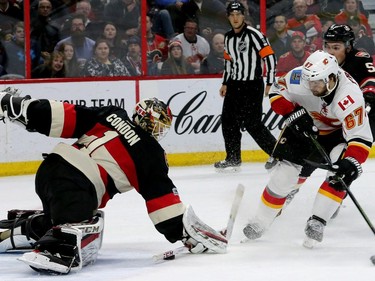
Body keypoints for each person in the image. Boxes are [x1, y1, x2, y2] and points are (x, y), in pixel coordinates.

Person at [0, 90, 227, 274]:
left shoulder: (112, 114)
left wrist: (24, 108)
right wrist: (185, 234)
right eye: (157, 124)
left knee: (61, 216)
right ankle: (58, 247)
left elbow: (66, 115)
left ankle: (20, 229)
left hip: (49, 171)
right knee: (85, 224)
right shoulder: (150, 152)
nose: (157, 130)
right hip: (80, 185)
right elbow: (162, 203)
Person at [242, 50, 372, 247]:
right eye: (310, 82)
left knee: (340, 176)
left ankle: (317, 221)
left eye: (318, 83)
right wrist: (291, 113)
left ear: (331, 78)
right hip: (302, 127)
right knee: (283, 176)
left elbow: (360, 138)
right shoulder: (299, 76)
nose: (312, 87)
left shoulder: (350, 97)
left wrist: (351, 163)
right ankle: (261, 221)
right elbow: (277, 91)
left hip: (337, 134)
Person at [214, 1, 277, 172]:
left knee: (252, 123)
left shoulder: (254, 34)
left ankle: (277, 154)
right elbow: (228, 62)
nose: (235, 18)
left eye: (238, 14)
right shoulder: (227, 37)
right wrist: (225, 82)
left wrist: (270, 82)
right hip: (234, 85)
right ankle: (233, 158)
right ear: (228, 17)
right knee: (228, 122)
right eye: (232, 15)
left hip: (252, 85)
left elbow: (270, 57)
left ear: (243, 16)